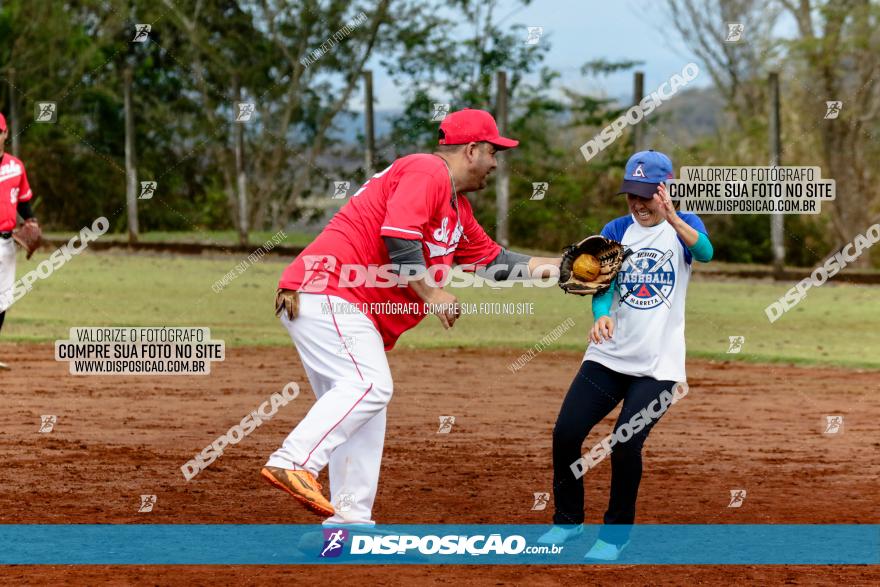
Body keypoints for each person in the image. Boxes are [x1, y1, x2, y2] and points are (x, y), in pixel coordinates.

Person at [262, 108, 560, 526]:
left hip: (341, 304)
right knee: (368, 386)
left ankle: (348, 525)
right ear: (471, 150)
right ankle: (293, 461)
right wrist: (431, 291)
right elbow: (398, 236)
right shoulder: (426, 171)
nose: (496, 163)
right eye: (494, 152)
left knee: (364, 411)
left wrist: (564, 267)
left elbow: (495, 262)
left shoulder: (458, 212)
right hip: (328, 290)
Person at [538, 150, 713, 560]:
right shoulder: (616, 229)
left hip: (659, 367)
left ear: (663, 192)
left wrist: (673, 218)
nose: (637, 205)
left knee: (625, 443)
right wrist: (601, 316)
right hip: (608, 357)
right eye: (630, 195)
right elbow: (602, 284)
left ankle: (614, 537)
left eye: (645, 196)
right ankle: (568, 521)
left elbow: (704, 252)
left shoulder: (684, 226)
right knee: (566, 433)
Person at [0, 112, 39, 370]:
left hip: (5, 243)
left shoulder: (16, 167)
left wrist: (32, 221)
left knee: (2, 300)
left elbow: (24, 202)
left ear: (4, 133)